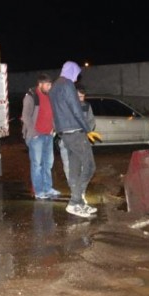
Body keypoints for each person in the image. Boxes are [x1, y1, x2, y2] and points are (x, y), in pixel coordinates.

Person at [48, 61, 97, 218]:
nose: (76, 78)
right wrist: (88, 130)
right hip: (75, 132)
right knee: (90, 166)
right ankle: (76, 200)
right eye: (76, 74)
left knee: (74, 169)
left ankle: (78, 203)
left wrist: (58, 130)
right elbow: (76, 109)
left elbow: (55, 112)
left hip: (64, 133)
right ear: (72, 71)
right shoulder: (67, 84)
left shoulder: (54, 87)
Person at [20, 73, 61, 200]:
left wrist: (53, 129)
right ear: (40, 84)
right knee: (37, 165)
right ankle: (38, 191)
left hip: (48, 135)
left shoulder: (50, 96)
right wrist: (34, 133)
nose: (50, 87)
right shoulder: (31, 96)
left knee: (48, 163)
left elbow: (51, 114)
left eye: (50, 85)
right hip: (36, 137)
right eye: (48, 85)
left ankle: (47, 188)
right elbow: (25, 116)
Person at [59, 87, 96, 185]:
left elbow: (91, 120)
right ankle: (73, 187)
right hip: (68, 140)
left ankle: (80, 190)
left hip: (81, 140)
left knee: (84, 165)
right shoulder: (66, 106)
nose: (81, 99)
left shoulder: (86, 106)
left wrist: (87, 131)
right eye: (79, 96)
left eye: (83, 97)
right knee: (69, 164)